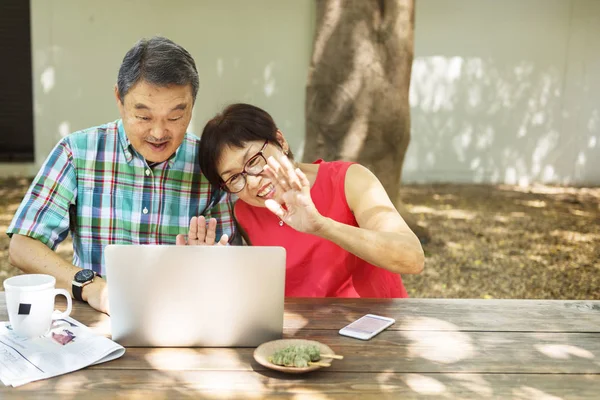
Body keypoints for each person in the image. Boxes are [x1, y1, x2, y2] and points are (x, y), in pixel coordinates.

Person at [7, 37, 234, 314]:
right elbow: (22, 245)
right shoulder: (78, 152)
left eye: (175, 117)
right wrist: (90, 287)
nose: (159, 133)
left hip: (183, 316)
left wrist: (210, 265)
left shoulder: (211, 164)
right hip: (96, 322)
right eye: (144, 117)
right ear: (119, 99)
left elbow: (233, 264)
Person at [196, 103, 424, 298]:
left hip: (377, 329)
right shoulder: (244, 213)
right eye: (235, 178)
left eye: (254, 160)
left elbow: (412, 258)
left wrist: (323, 226)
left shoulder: (349, 180)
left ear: (280, 141)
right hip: (304, 341)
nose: (253, 182)